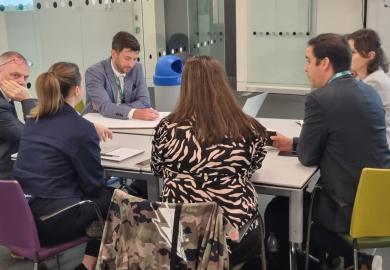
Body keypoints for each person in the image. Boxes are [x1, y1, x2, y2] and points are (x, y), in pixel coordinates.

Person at [267, 33, 390, 270]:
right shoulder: (369, 91)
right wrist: (293, 142)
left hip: (346, 208)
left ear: (324, 63)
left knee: (278, 210)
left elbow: (308, 156)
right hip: (378, 202)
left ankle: (355, 262)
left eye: (307, 60)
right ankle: (341, 262)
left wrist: (299, 146)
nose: (305, 68)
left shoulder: (321, 98)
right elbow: (342, 138)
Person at [151, 55, 267, 269]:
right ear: (221, 83)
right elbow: (254, 165)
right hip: (232, 236)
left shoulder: (166, 128)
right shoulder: (248, 128)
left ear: (185, 87)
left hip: (178, 236)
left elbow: (157, 168)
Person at [13, 62, 115, 270]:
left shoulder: (33, 120)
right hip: (49, 223)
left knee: (96, 201)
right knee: (114, 198)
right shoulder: (81, 129)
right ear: (77, 89)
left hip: (20, 219)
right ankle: (87, 265)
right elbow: (94, 185)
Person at [84, 31, 159, 120]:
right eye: (127, 58)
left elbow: (145, 102)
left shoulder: (137, 68)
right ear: (113, 54)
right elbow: (105, 107)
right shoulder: (94, 72)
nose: (131, 64)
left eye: (135, 59)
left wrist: (114, 107)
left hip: (125, 122)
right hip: (98, 123)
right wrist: (133, 112)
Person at [347, 28, 390, 144]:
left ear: (370, 56)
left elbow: (350, 117)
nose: (347, 57)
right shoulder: (365, 78)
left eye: (353, 52)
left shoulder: (375, 82)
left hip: (380, 148)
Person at [0, 51, 36, 180]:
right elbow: (32, 136)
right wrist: (27, 100)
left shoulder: (6, 97)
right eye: (15, 75)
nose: (21, 82)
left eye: (25, 77)